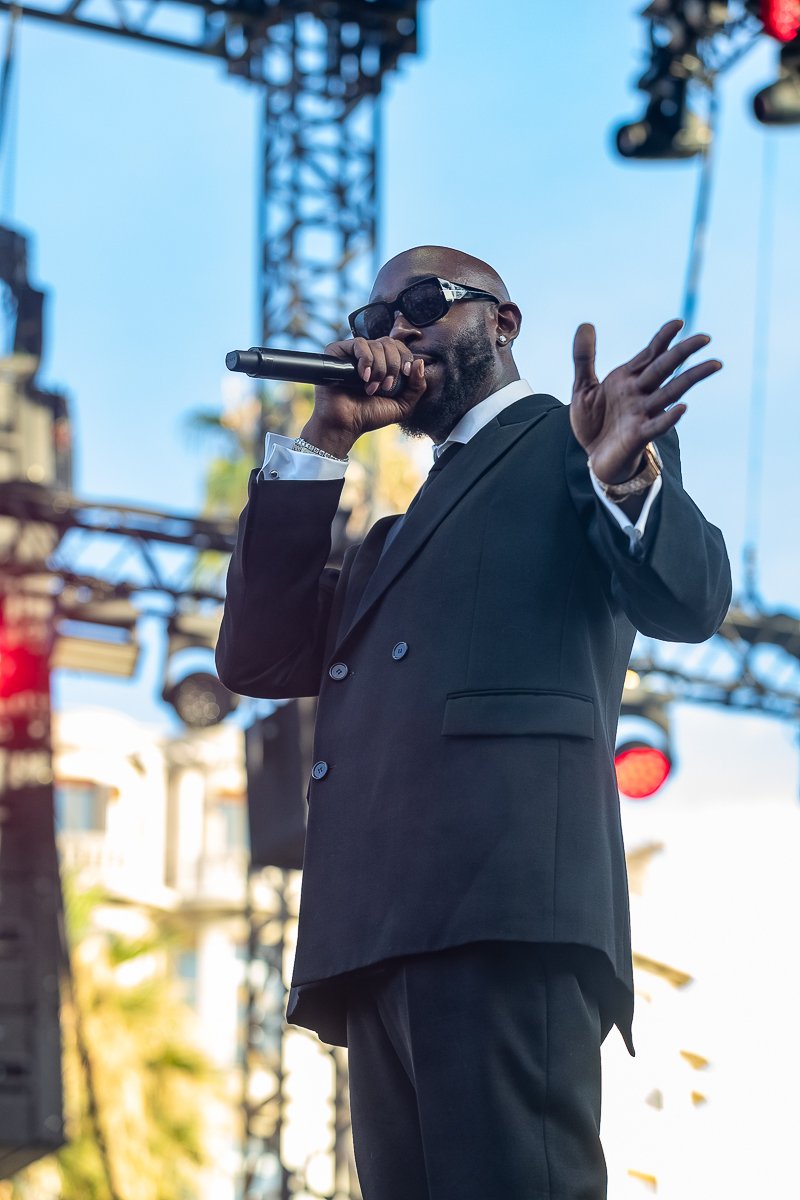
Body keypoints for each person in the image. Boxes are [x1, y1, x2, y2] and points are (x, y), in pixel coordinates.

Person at [216, 245, 731, 1200]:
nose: (397, 331)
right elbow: (254, 657)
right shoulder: (387, 546)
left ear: (502, 322)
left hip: (502, 906)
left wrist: (625, 476)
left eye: (423, 303)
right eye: (376, 321)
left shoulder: (576, 438)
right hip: (375, 933)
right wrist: (326, 436)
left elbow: (690, 601)